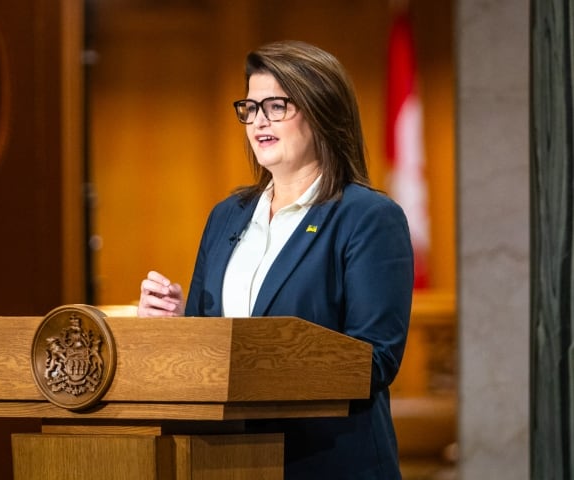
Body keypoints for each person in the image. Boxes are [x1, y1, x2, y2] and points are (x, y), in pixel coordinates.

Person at [137, 40, 414, 479]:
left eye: (276, 106)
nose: (258, 121)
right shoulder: (228, 215)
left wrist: (260, 358)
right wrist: (178, 328)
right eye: (250, 108)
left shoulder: (368, 217)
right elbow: (211, 350)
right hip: (230, 462)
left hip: (330, 462)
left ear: (322, 109)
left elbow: (375, 360)